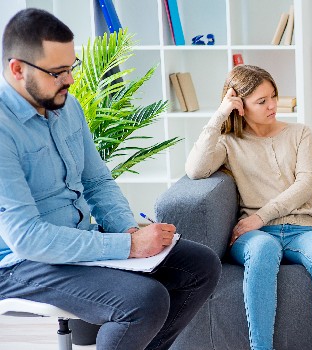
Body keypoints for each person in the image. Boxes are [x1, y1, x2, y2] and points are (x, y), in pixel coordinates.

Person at [0, 8, 221, 350]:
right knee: (143, 301)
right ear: (17, 69)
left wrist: (127, 230)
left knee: (200, 265)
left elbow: (97, 181)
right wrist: (130, 247)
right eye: (57, 72)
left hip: (77, 239)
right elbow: (26, 238)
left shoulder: (67, 107)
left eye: (71, 68)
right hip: (20, 262)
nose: (70, 81)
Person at [185, 64, 312, 350]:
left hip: (302, 228)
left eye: (273, 96)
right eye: (262, 101)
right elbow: (195, 169)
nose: (273, 105)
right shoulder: (229, 143)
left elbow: (305, 186)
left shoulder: (300, 134)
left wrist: (261, 217)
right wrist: (220, 113)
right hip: (255, 236)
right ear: (240, 105)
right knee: (263, 250)